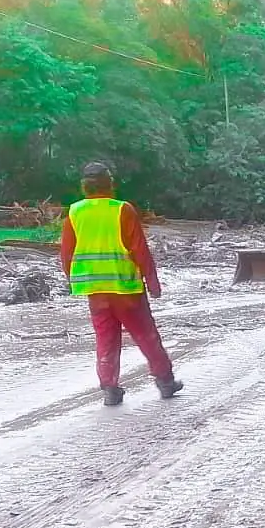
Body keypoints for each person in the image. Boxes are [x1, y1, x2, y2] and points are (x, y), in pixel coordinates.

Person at [60, 162, 184, 406]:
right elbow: (139, 249)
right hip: (125, 287)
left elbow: (66, 254)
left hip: (95, 290)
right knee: (146, 336)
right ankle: (165, 382)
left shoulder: (75, 212)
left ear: (84, 186)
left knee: (106, 339)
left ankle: (110, 389)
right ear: (110, 183)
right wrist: (152, 281)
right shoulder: (122, 210)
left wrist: (71, 279)